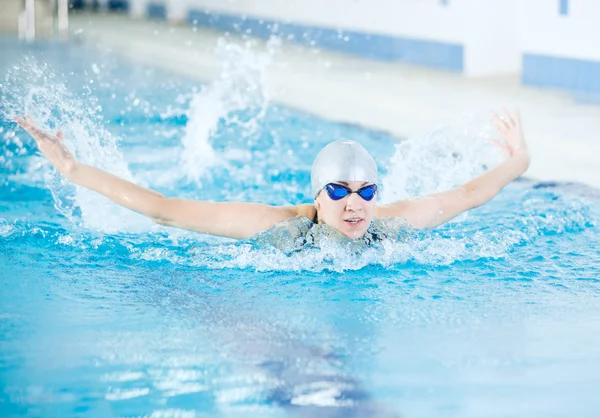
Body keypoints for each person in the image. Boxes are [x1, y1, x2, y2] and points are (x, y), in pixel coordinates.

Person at [13, 109, 530, 242]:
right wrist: (71, 167)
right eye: (339, 192)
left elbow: (467, 194)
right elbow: (165, 209)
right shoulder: (278, 227)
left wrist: (520, 161)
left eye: (366, 192)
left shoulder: (391, 224)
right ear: (316, 196)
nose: (355, 205)